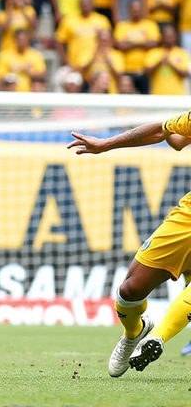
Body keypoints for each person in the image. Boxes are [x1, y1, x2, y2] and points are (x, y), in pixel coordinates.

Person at [67, 112, 191, 376]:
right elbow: (167, 133)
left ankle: (157, 338)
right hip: (188, 219)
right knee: (130, 290)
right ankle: (135, 331)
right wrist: (105, 144)